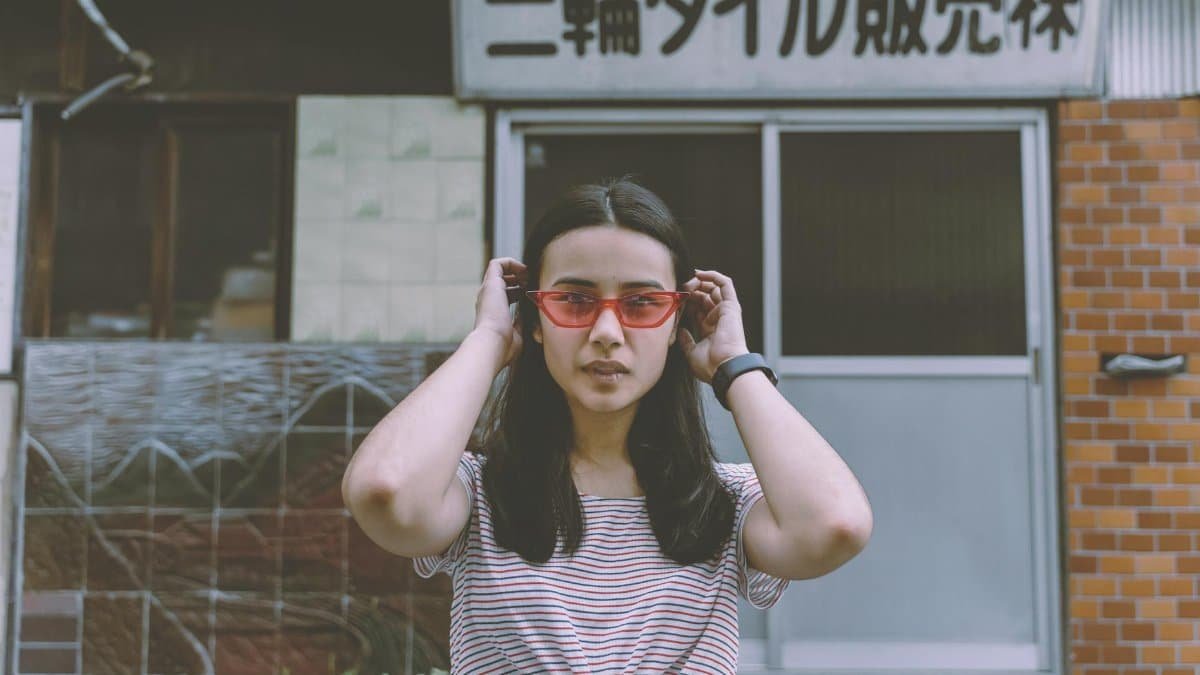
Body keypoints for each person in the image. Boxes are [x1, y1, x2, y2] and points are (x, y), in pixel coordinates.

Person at [342, 177, 873, 673]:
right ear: (535, 319)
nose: (606, 332)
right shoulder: (478, 492)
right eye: (574, 300)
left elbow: (835, 526)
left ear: (675, 323)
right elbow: (385, 492)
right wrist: (487, 341)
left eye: (643, 303)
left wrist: (734, 365)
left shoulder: (721, 503)